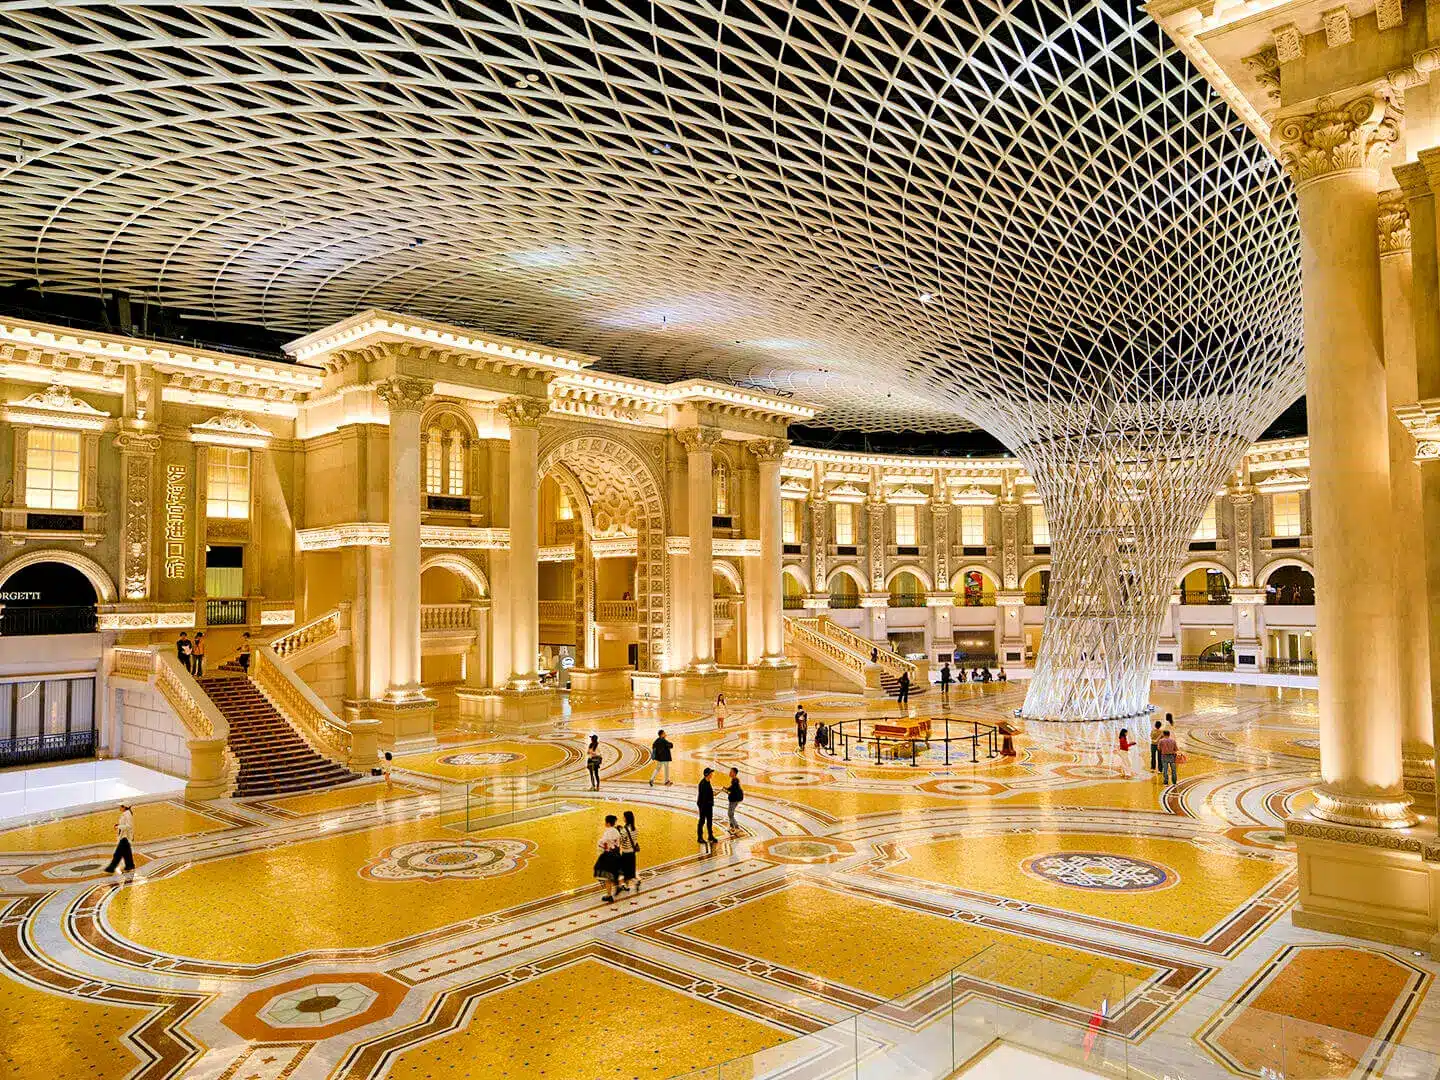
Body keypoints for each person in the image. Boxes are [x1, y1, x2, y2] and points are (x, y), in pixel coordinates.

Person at [594, 814, 622, 902]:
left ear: (608, 823)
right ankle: (618, 886)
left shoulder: (607, 832)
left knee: (605, 875)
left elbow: (603, 842)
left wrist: (600, 844)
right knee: (614, 873)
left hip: (608, 856)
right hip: (617, 854)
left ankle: (609, 894)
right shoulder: (616, 831)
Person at [104, 803, 135, 874]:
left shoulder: (127, 814)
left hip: (125, 837)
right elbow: (125, 824)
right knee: (126, 853)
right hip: (124, 837)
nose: (119, 807)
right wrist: (119, 825)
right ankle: (130, 866)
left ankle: (111, 868)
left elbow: (128, 826)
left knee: (117, 854)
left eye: (121, 806)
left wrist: (118, 827)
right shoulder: (125, 813)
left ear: (124, 807)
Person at [617, 810, 640, 893]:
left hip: (625, 853)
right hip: (632, 853)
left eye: (624, 817)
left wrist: (619, 831)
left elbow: (620, 841)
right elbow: (635, 841)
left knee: (623, 870)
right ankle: (627, 885)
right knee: (630, 870)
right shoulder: (635, 829)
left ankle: (634, 882)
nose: (623, 818)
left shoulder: (624, 830)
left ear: (626, 818)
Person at [697, 768, 717, 851]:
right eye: (710, 773)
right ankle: (700, 837)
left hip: (708, 805)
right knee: (702, 821)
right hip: (703, 805)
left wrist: (713, 794)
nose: (712, 774)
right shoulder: (703, 784)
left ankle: (710, 836)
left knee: (709, 821)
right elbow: (704, 797)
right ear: (707, 774)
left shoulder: (708, 782)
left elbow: (708, 793)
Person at [725, 767, 744, 833]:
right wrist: (726, 789)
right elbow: (731, 788)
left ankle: (736, 827)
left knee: (730, 814)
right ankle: (732, 826)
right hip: (735, 799)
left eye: (731, 772)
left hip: (734, 800)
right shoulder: (734, 780)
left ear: (734, 773)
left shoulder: (735, 781)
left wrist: (726, 790)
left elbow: (732, 791)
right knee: (730, 813)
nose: (730, 773)